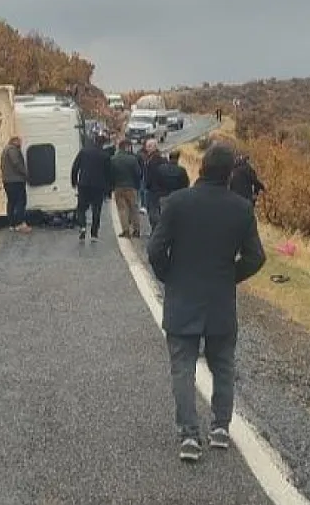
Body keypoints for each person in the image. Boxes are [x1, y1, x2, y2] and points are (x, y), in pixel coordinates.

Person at [146, 143, 266, 462]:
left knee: (182, 369)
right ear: (229, 174)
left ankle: (189, 434)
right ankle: (220, 428)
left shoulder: (176, 203)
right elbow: (256, 257)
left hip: (183, 297)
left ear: (201, 168)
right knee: (223, 366)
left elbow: (155, 250)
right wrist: (231, 276)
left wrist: (169, 276)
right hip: (220, 301)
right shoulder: (242, 209)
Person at [70, 130, 113, 242]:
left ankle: (83, 226)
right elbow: (109, 174)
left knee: (81, 208)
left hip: (84, 184)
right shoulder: (105, 156)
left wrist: (74, 181)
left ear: (94, 141)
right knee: (96, 209)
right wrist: (109, 191)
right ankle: (94, 234)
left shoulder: (84, 152)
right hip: (99, 186)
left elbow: (75, 167)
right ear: (103, 143)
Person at [109, 139, 143, 238]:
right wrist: (137, 185)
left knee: (122, 209)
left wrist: (112, 185)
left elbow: (110, 174)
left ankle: (125, 230)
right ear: (127, 147)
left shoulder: (113, 159)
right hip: (131, 186)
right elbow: (138, 174)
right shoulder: (132, 159)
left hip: (118, 187)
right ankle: (136, 230)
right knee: (133, 208)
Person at [1, 136, 32, 233]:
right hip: (16, 181)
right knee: (20, 201)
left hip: (7, 181)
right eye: (20, 142)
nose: (21, 144)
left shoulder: (5, 150)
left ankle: (12, 224)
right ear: (15, 141)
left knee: (11, 202)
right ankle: (20, 224)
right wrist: (25, 173)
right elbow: (16, 163)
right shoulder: (12, 150)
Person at [140, 139, 168, 230]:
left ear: (155, 147)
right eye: (147, 146)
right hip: (158, 188)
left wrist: (147, 184)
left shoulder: (154, 159)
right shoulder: (156, 158)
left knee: (153, 210)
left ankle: (155, 229)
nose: (147, 148)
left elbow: (151, 174)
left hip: (153, 188)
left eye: (149, 146)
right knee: (157, 210)